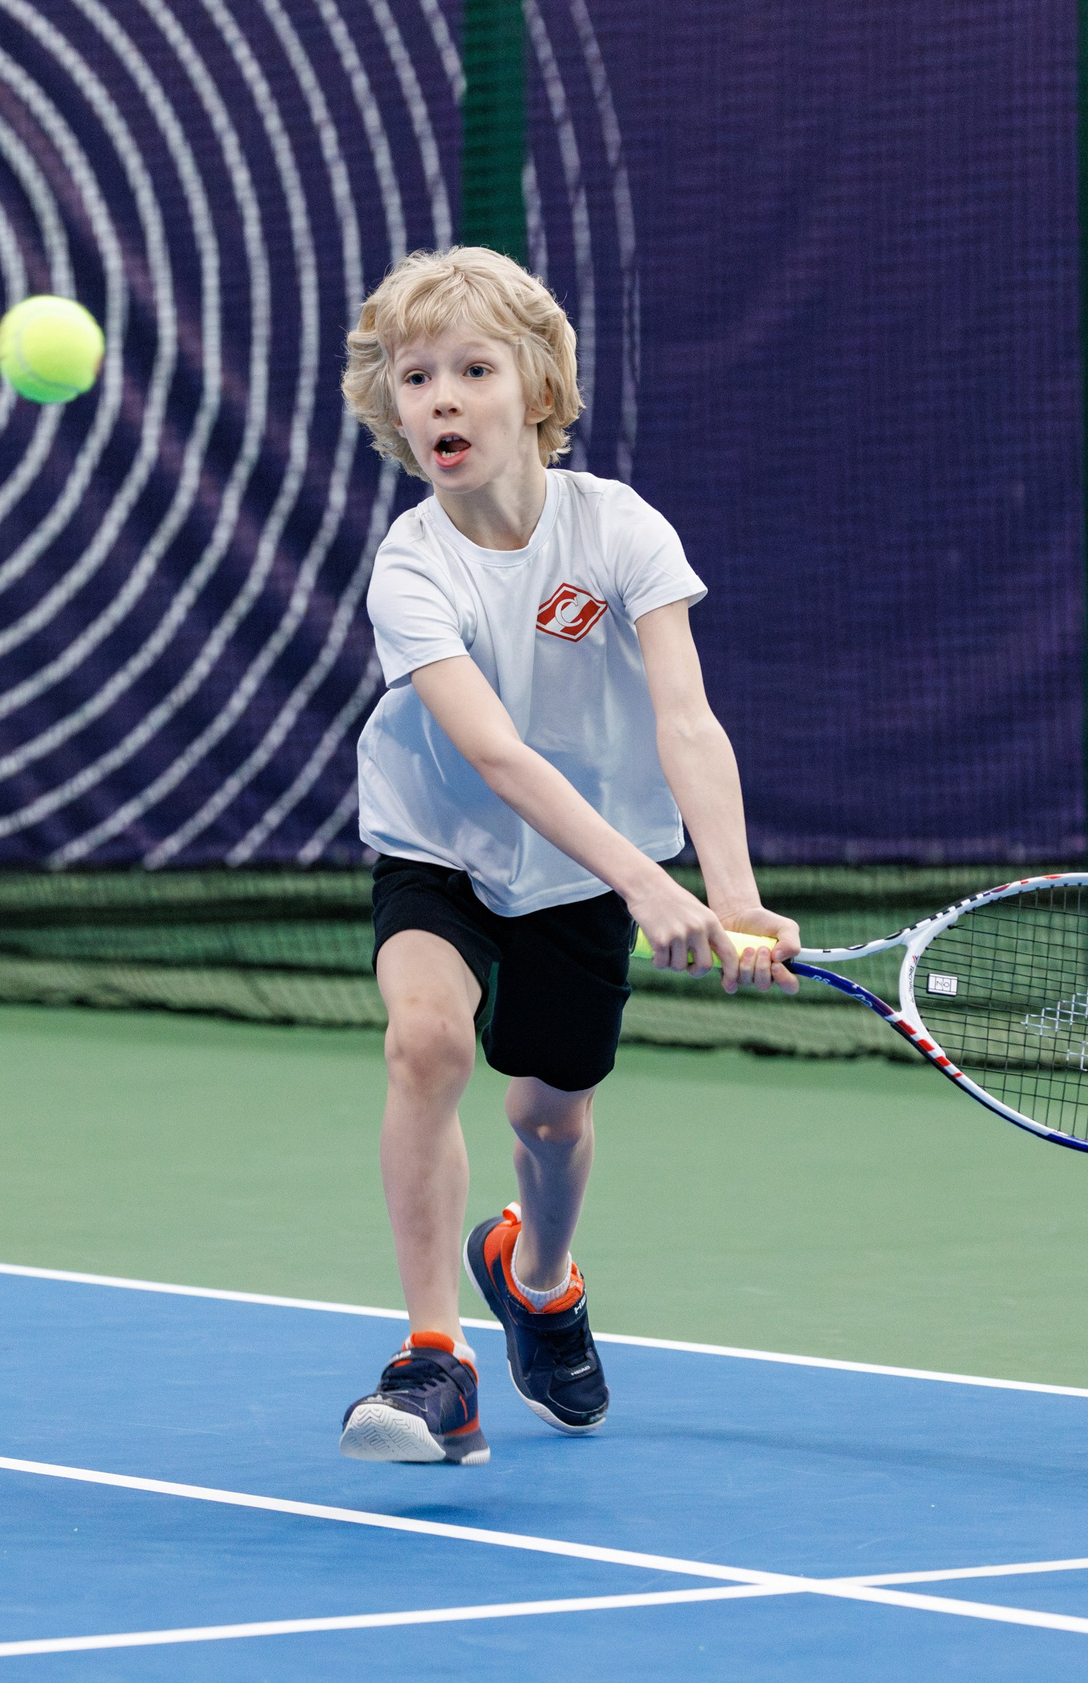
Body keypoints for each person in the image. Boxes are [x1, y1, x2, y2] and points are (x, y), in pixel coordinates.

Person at [333, 248, 800, 1467]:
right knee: (425, 1041)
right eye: (415, 377)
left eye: (473, 369)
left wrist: (734, 894)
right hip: (441, 844)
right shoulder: (410, 566)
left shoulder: (619, 527)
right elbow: (493, 751)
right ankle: (434, 1357)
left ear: (537, 388)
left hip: (584, 870)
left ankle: (535, 1278)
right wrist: (653, 887)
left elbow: (684, 719)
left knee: (549, 1119)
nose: (441, 396)